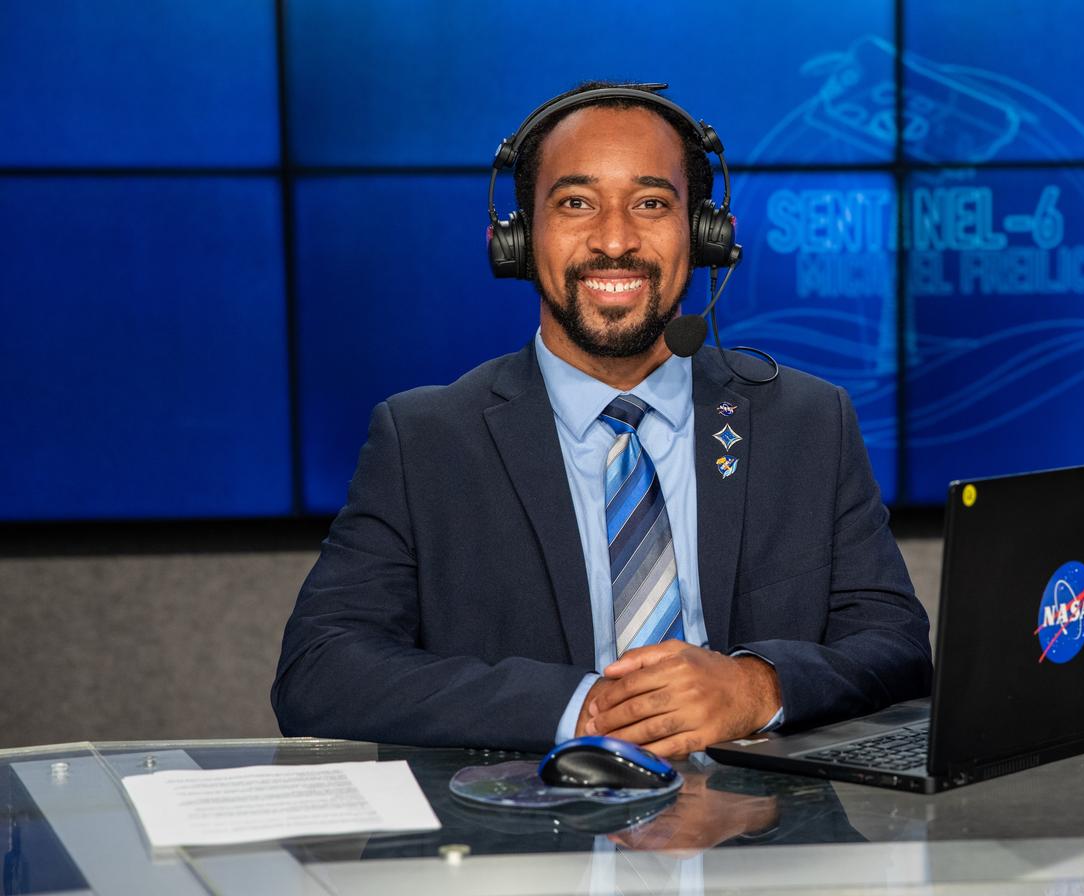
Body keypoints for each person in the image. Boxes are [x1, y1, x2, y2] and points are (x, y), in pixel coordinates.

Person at [271, 82, 932, 758]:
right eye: (576, 203)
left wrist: (757, 687)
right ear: (519, 237)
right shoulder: (424, 441)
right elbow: (319, 672)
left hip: (759, 841)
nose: (615, 240)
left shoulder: (809, 423)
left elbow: (897, 647)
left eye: (650, 204)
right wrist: (582, 709)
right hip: (529, 842)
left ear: (704, 234)